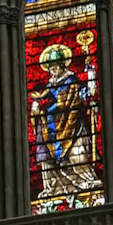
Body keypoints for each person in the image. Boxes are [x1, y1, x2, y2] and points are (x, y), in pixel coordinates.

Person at [31, 39, 101, 208]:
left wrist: (91, 80)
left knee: (76, 154)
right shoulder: (49, 85)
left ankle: (87, 181)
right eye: (51, 68)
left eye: (56, 66)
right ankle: (55, 189)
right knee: (47, 155)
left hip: (71, 124)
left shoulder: (71, 80)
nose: (53, 70)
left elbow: (82, 95)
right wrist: (37, 106)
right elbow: (45, 100)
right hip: (51, 127)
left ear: (63, 65)